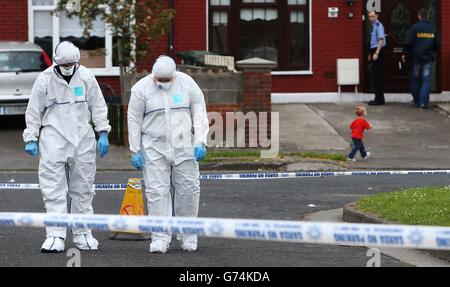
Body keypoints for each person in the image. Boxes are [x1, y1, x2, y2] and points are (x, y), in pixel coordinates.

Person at [23, 41, 111, 253]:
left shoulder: (87, 76)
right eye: (66, 63)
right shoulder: (44, 79)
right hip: (54, 138)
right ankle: (55, 235)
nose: (69, 66)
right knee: (53, 188)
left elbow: (98, 105)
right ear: (56, 62)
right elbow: (34, 109)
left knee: (83, 189)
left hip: (82, 139)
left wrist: (103, 132)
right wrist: (31, 137)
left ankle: (82, 233)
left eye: (72, 63)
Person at [127, 55, 209, 254]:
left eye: (166, 80)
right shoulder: (140, 88)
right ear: (153, 75)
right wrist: (135, 149)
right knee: (156, 192)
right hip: (154, 145)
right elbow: (134, 119)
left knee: (188, 190)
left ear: (173, 75)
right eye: (159, 80)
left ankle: (188, 234)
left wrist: (200, 141)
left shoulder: (187, 83)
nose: (162, 83)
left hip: (183, 145)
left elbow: (199, 112)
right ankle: (160, 237)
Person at [402, 8, 440, 109]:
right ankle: (423, 103)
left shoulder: (414, 28)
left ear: (419, 16)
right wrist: (432, 53)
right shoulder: (433, 29)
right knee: (426, 80)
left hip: (416, 58)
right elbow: (437, 45)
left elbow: (408, 42)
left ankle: (416, 101)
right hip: (427, 58)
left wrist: (405, 53)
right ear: (427, 16)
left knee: (416, 80)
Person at [367, 10, 386, 106]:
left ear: (377, 16)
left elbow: (381, 40)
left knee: (378, 76)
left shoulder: (379, 26)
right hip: (374, 50)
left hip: (378, 51)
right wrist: (371, 53)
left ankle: (379, 99)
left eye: (373, 16)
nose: (371, 18)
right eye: (370, 16)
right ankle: (377, 98)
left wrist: (377, 53)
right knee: (375, 76)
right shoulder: (374, 26)